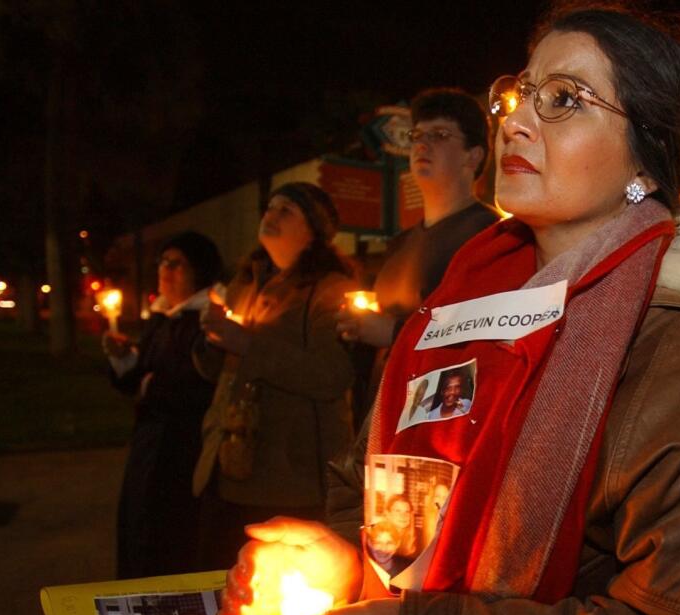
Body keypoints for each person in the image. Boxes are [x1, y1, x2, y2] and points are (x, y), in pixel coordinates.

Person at [222, 8, 680, 615]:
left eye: (564, 99)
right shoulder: (450, 318)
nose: (516, 121)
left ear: (645, 159)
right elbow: (369, 493)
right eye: (518, 94)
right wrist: (337, 558)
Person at [191, 182, 357, 571]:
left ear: (312, 231)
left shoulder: (330, 290)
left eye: (287, 211)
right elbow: (217, 373)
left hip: (290, 477)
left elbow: (332, 376)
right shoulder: (245, 282)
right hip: (229, 465)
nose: (272, 214)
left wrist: (249, 345)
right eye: (270, 207)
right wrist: (212, 342)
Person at [335, 88, 502, 422]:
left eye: (440, 135)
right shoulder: (401, 244)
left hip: (437, 421)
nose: (422, 145)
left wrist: (392, 332)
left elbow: (485, 340)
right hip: (384, 410)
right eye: (417, 135)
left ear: (473, 156)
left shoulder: (490, 235)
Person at [103, 231, 223, 578]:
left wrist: (152, 385)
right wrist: (123, 360)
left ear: (199, 271)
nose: (166, 270)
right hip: (148, 445)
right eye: (163, 262)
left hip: (182, 449)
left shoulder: (207, 321)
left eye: (177, 263)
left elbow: (199, 384)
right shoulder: (161, 318)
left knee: (170, 535)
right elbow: (139, 378)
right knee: (138, 525)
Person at [381, 493, 418, 559]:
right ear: (388, 514)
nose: (403, 516)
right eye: (398, 511)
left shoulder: (418, 538)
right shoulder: (378, 538)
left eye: (407, 512)